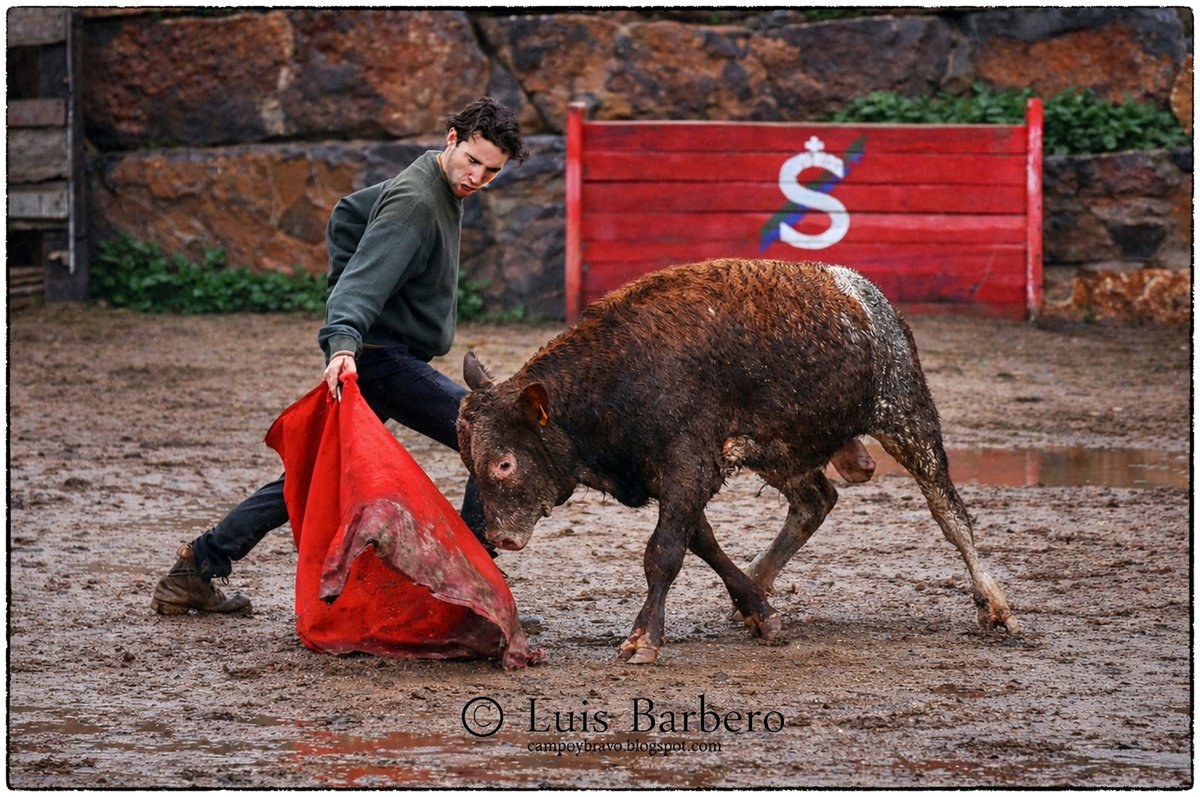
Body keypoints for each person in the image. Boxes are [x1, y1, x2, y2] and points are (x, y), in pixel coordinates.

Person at [151, 97, 529, 615]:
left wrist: (357, 295)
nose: (478, 176)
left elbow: (350, 212)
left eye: (492, 170)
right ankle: (469, 590)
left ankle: (196, 568)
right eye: (473, 160)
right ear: (451, 139)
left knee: (309, 474)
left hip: (382, 360)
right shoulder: (417, 201)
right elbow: (361, 281)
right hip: (380, 360)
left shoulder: (430, 187)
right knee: (494, 437)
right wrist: (344, 339)